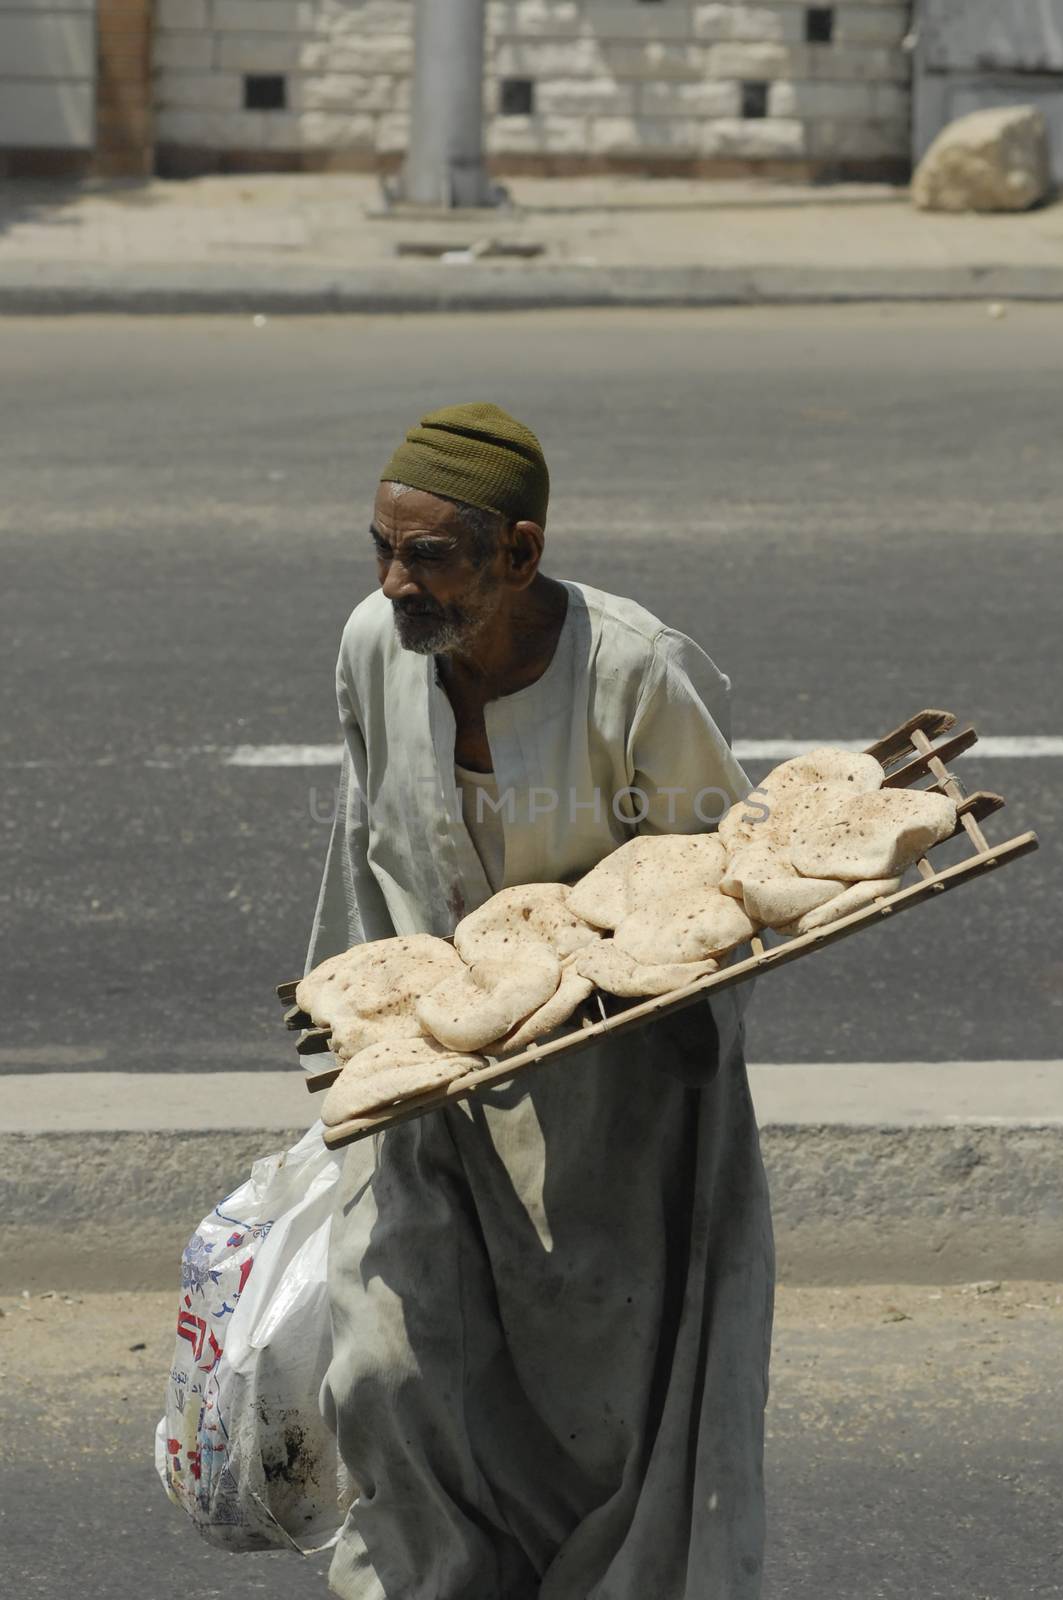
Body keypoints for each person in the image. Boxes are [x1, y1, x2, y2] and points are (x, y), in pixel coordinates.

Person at [308, 403, 775, 1600]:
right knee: (390, 1363)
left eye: (430, 556)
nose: (396, 581)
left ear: (520, 552)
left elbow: (722, 879)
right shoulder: (376, 641)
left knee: (602, 1409)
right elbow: (365, 846)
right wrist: (366, 1038)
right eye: (382, 548)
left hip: (616, 1101)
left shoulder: (633, 670)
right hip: (431, 1081)